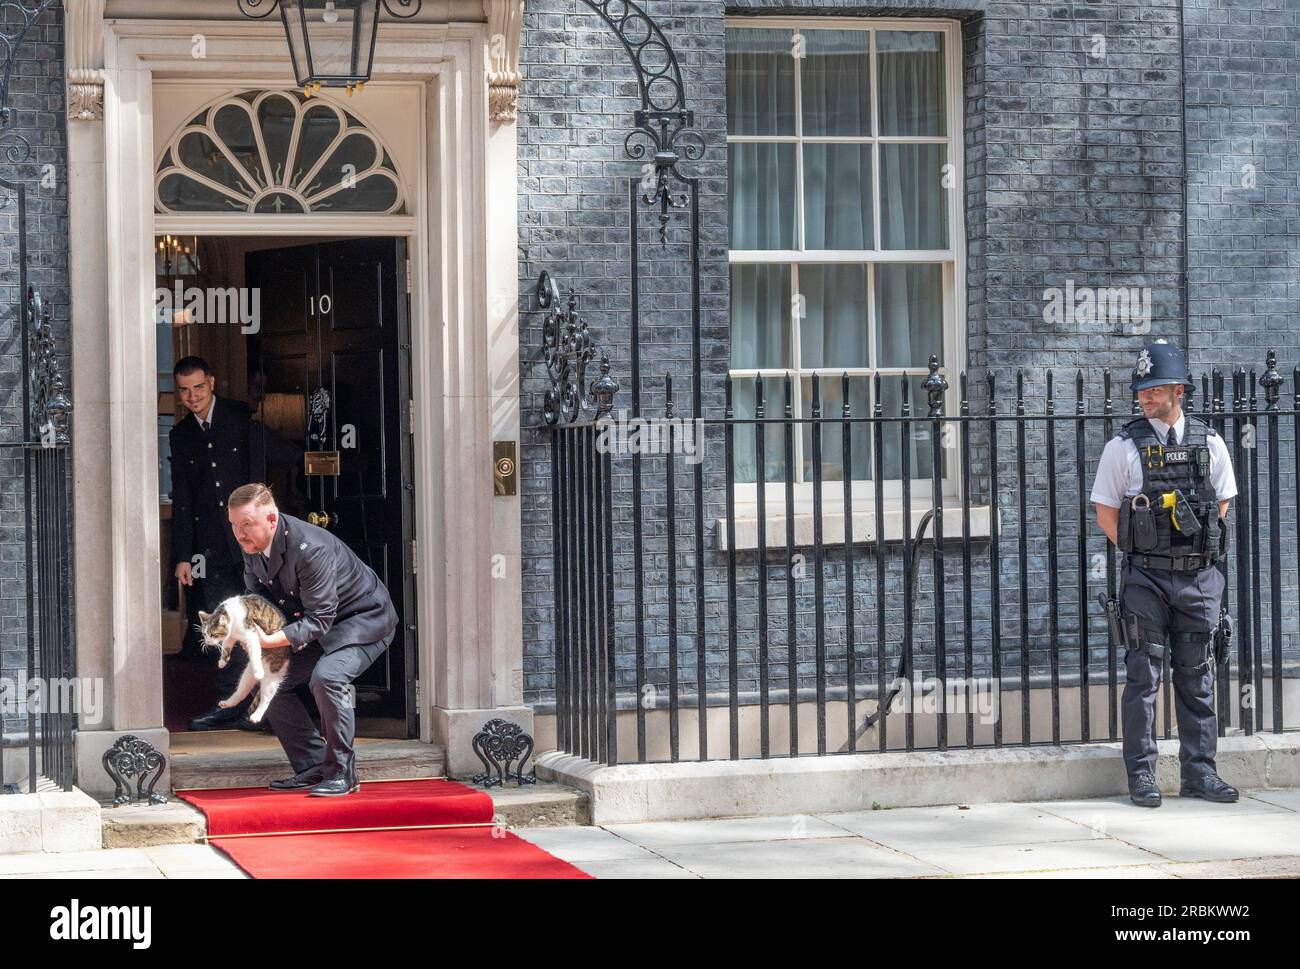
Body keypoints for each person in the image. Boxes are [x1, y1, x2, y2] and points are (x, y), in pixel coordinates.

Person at [1090, 339, 1239, 808]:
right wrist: (1144, 551)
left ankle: (1200, 773)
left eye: (1154, 390)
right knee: (1143, 677)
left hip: (1198, 579)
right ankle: (1142, 776)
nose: (1145, 398)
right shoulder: (1122, 447)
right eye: (1141, 391)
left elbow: (1222, 506)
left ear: (1178, 389)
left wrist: (1189, 553)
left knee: (1198, 676)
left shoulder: (1209, 442)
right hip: (1146, 580)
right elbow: (1104, 513)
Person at [226, 482, 399, 796]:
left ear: (272, 519)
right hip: (310, 623)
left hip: (362, 620)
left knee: (328, 677)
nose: (240, 534)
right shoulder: (252, 544)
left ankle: (343, 774)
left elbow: (321, 619)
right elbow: (258, 598)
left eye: (247, 524)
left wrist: (271, 639)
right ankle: (312, 766)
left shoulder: (311, 548)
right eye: (235, 525)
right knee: (269, 679)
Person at [169, 355, 298, 731]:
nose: (193, 397)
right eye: (185, 390)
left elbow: (282, 457)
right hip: (211, 548)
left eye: (199, 387)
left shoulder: (239, 418)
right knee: (227, 626)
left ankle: (270, 707)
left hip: (255, 543)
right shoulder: (181, 435)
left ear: (212, 382)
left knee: (267, 623)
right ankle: (229, 706)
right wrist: (182, 557)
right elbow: (184, 500)